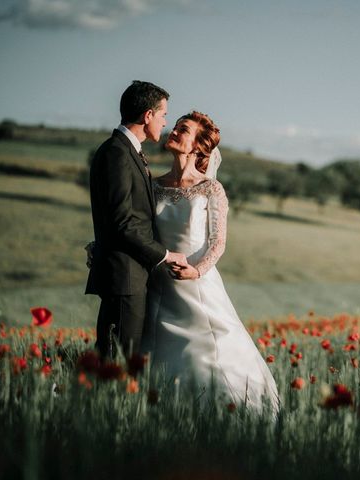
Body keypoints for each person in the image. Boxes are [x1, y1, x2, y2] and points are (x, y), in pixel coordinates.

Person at [144, 111, 279, 413]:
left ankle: (223, 410)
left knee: (209, 352)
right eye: (175, 127)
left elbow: (218, 242)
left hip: (197, 283)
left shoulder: (210, 188)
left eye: (184, 130)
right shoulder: (153, 185)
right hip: (159, 284)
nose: (174, 132)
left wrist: (197, 271)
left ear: (198, 146)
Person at [85, 80, 188, 359]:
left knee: (117, 358)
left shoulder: (124, 151)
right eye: (164, 114)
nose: (166, 122)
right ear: (148, 115)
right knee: (116, 360)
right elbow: (122, 222)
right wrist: (165, 255)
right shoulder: (117, 153)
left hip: (130, 275)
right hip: (124, 277)